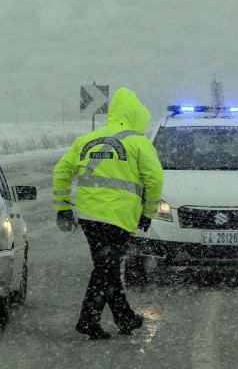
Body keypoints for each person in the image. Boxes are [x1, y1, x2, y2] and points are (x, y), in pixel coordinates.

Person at [53, 87, 164, 340]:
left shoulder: (86, 141)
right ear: (136, 114)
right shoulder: (138, 142)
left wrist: (62, 208)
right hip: (119, 218)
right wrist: (148, 212)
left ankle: (124, 318)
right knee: (106, 269)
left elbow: (61, 171)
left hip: (90, 218)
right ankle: (88, 320)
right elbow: (154, 179)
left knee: (107, 268)